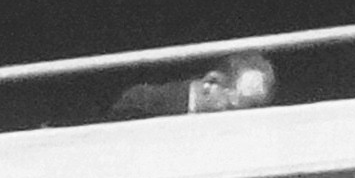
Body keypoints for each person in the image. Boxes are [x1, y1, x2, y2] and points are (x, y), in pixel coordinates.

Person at [107, 50, 278, 120]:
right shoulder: (142, 102)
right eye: (239, 104)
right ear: (212, 82)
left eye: (255, 106)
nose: (245, 117)